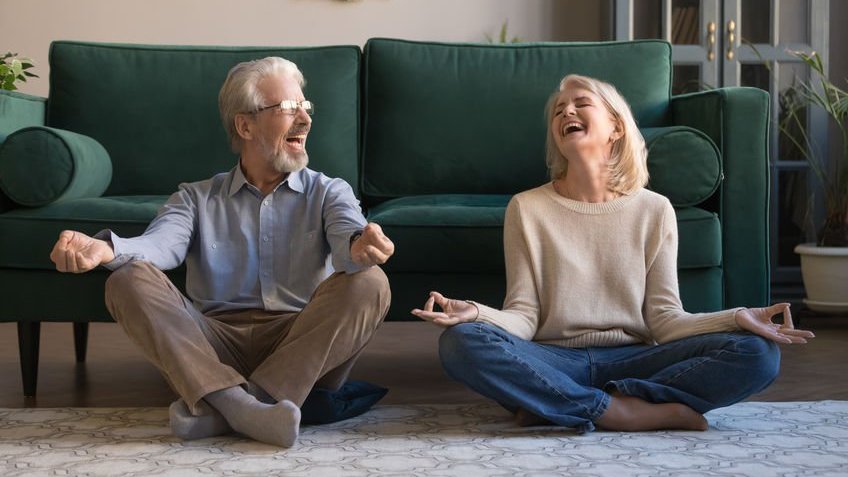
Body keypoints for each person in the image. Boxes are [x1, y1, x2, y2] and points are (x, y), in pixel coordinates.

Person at [412, 74, 814, 433]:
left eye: (581, 103)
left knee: (758, 353)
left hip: (635, 359)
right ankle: (622, 412)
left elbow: (665, 320)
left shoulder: (654, 210)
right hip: (552, 357)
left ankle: (554, 404)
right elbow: (524, 315)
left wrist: (735, 318)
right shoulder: (527, 207)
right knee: (460, 342)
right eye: (558, 111)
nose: (566, 110)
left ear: (616, 127)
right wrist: (476, 313)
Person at [49, 57, 394, 447]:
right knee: (127, 278)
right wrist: (105, 248)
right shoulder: (194, 198)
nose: (304, 118)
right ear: (245, 125)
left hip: (300, 346)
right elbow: (157, 247)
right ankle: (246, 409)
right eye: (287, 108)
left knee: (370, 282)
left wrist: (359, 245)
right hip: (212, 345)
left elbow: (349, 235)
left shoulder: (330, 191)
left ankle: (226, 408)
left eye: (305, 106)